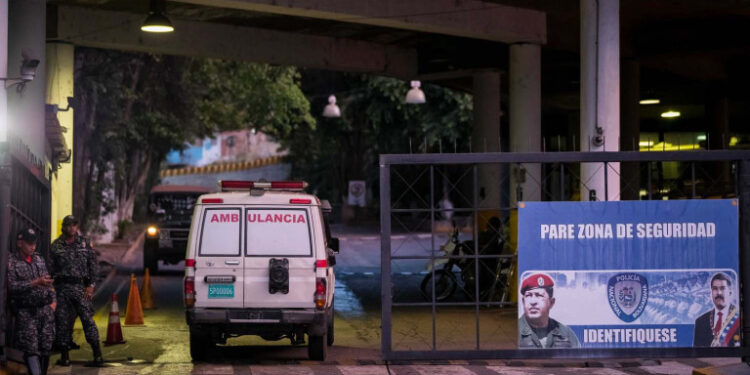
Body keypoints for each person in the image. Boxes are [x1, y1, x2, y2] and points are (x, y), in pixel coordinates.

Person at [48, 215, 103, 366]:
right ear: (63, 227)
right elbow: (50, 270)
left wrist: (91, 285)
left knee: (87, 320)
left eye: (74, 225)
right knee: (62, 323)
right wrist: (52, 290)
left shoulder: (84, 243)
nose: (71, 228)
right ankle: (65, 356)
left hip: (81, 289)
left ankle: (97, 353)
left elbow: (93, 266)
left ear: (77, 227)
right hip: (62, 289)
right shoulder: (56, 246)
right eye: (68, 225)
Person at [8, 228, 56, 375]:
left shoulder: (38, 259)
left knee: (46, 347)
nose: (32, 246)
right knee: (31, 349)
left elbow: (48, 282)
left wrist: (53, 302)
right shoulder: (12, 262)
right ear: (20, 243)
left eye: (34, 243)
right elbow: (11, 286)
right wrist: (35, 282)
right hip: (27, 312)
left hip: (45, 311)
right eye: (29, 243)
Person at [518, 273, 579, 348]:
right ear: (523, 301)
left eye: (539, 295)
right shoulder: (514, 333)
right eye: (528, 295)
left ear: (551, 302)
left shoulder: (565, 334)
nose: (533, 302)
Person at [693, 272, 740, 347]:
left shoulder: (740, 319)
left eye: (722, 288)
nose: (719, 293)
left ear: (730, 292)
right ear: (711, 293)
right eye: (715, 289)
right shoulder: (700, 322)